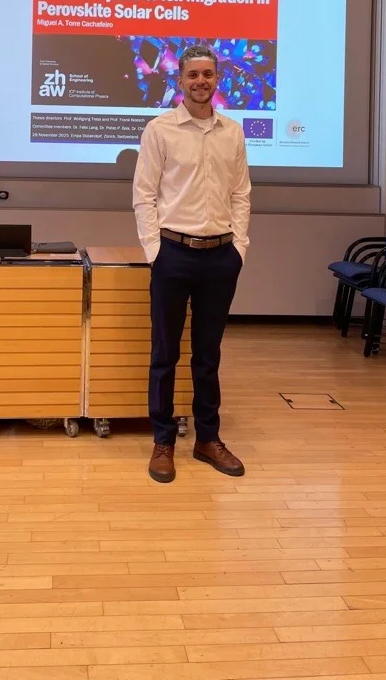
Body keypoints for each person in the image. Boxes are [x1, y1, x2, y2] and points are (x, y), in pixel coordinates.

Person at [132, 44, 251, 483]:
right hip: (173, 254)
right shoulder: (160, 130)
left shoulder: (232, 132)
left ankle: (208, 439)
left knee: (208, 355)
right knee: (164, 353)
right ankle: (163, 441)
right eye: (193, 75)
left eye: (208, 74)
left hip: (221, 256)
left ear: (217, 79)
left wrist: (239, 248)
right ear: (179, 80)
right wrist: (155, 250)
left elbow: (241, 194)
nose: (201, 81)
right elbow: (144, 194)